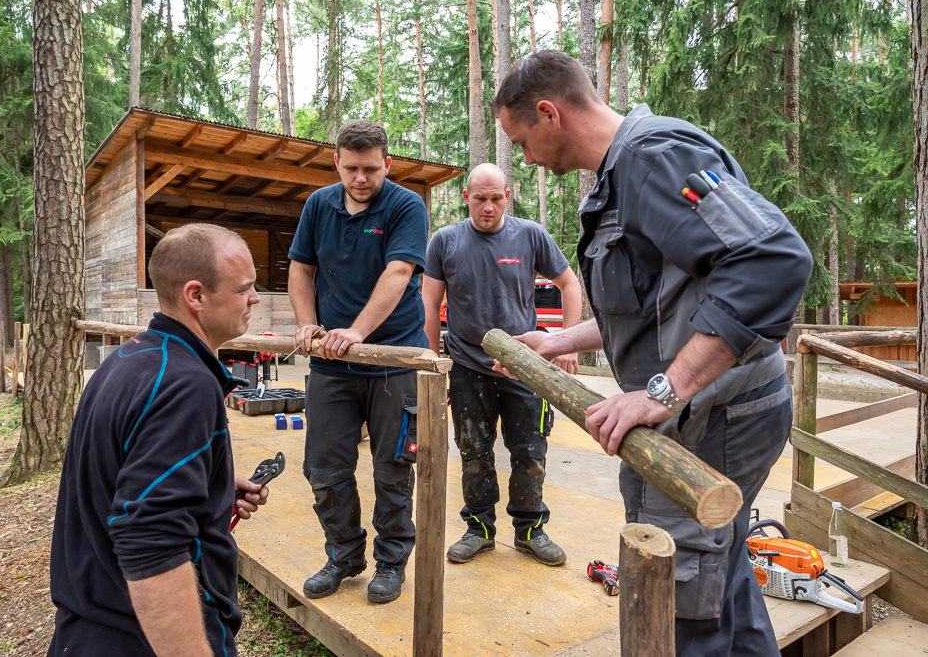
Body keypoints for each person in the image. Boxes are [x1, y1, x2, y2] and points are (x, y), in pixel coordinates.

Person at [490, 50, 813, 656]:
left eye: (521, 141)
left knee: (682, 600)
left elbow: (774, 261)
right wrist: (559, 341)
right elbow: (657, 310)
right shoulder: (623, 174)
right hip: (713, 413)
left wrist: (663, 392)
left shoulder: (653, 157)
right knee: (721, 578)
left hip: (713, 419)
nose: (524, 158)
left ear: (549, 113)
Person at [47, 224, 269, 656]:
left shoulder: (126, 359)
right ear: (196, 295)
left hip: (85, 632)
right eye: (244, 288)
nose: (255, 298)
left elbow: (122, 481)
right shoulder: (186, 385)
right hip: (140, 639)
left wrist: (211, 489)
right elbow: (149, 541)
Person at [287, 119, 429, 604]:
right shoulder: (318, 205)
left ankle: (391, 562)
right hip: (331, 366)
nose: (361, 178)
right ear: (336, 162)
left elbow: (399, 271)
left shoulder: (406, 205)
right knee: (324, 470)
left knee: (393, 470)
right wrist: (307, 323)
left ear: (388, 164)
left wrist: (357, 331)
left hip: (393, 360)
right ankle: (344, 556)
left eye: (371, 168)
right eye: (351, 169)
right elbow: (301, 268)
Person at [421, 163, 582, 566]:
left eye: (496, 198)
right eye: (480, 199)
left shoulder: (530, 235)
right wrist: (432, 361)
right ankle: (479, 529)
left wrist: (568, 342)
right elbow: (429, 303)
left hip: (523, 365)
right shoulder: (445, 241)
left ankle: (530, 531)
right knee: (474, 451)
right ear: (466, 198)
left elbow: (570, 284)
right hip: (466, 364)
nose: (488, 207)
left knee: (530, 451)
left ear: (507, 196)